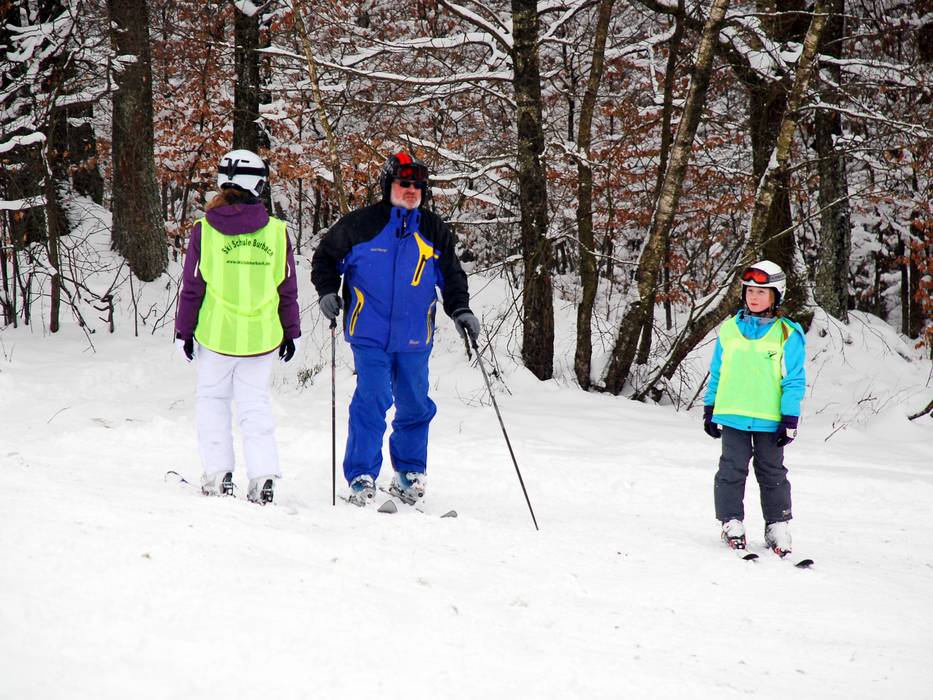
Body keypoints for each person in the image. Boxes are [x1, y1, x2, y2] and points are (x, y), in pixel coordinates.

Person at [311, 152, 479, 507]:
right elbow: (325, 258)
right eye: (404, 184)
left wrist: (460, 309)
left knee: (415, 404)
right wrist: (327, 291)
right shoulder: (360, 225)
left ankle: (408, 473)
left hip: (415, 336)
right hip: (369, 331)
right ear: (389, 185)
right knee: (372, 400)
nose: (411, 190)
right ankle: (361, 475)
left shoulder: (433, 229)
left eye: (418, 185)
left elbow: (452, 275)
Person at [174, 149, 301, 504]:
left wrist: (184, 331)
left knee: (213, 402)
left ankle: (218, 475)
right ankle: (263, 478)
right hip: (261, 338)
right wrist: (291, 331)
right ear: (259, 184)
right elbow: (287, 288)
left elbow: (193, 286)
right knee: (255, 406)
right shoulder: (277, 232)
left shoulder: (204, 231)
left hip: (216, 336)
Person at [702, 260, 806, 555]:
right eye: (749, 291)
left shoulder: (787, 333)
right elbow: (717, 372)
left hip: (769, 419)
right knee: (731, 470)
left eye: (762, 291)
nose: (754, 297)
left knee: (772, 472)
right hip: (732, 414)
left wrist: (789, 418)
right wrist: (710, 407)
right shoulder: (729, 329)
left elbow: (794, 380)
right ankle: (731, 521)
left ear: (776, 296)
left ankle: (777, 526)